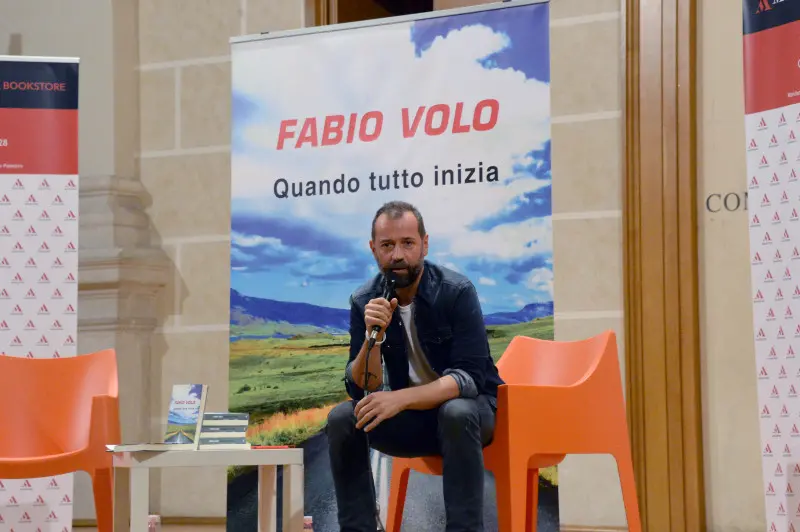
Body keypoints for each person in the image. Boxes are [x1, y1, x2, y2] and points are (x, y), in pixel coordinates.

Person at [325, 200, 504, 532]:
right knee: (342, 419)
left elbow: (469, 379)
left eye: (407, 243)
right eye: (387, 245)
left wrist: (400, 399)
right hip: (418, 422)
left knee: (457, 411)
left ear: (424, 244)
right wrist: (371, 340)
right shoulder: (363, 300)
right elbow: (360, 385)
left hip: (472, 419)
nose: (397, 255)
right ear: (373, 250)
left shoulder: (456, 292)